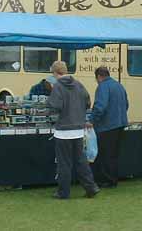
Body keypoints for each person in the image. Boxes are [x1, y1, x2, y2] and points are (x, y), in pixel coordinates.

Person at [47, 61, 99, 200]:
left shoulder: (57, 86)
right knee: (81, 161)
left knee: (64, 163)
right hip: (78, 130)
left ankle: (63, 192)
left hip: (63, 131)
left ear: (55, 72)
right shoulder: (79, 84)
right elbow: (88, 103)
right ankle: (91, 187)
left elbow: (55, 106)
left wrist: (49, 103)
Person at [88, 66, 129, 189]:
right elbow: (126, 104)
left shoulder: (103, 87)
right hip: (120, 124)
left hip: (107, 126)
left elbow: (100, 106)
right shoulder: (119, 85)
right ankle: (113, 179)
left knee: (105, 155)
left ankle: (107, 180)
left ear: (99, 77)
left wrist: (92, 120)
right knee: (114, 154)